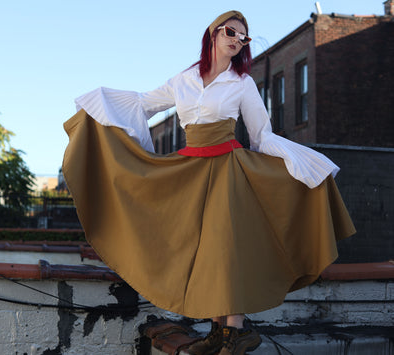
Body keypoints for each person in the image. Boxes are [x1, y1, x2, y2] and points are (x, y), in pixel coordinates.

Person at [62, 10, 355, 355]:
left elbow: (262, 135)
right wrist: (101, 103)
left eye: (243, 37)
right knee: (204, 250)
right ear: (213, 34)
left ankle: (236, 330)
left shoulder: (242, 83)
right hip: (191, 168)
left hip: (229, 170)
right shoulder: (183, 80)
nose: (237, 39)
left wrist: (303, 162)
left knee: (226, 246)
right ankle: (219, 331)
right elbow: (143, 105)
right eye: (231, 32)